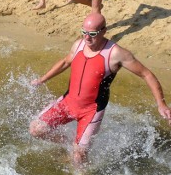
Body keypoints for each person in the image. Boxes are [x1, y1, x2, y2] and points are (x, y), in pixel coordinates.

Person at [29, 13, 171, 167]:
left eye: (92, 34)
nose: (87, 38)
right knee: (36, 130)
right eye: (84, 32)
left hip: (91, 111)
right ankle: (69, 144)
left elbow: (146, 74)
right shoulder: (79, 44)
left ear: (104, 31)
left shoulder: (116, 53)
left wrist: (161, 104)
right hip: (68, 102)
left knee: (78, 158)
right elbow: (65, 62)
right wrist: (42, 79)